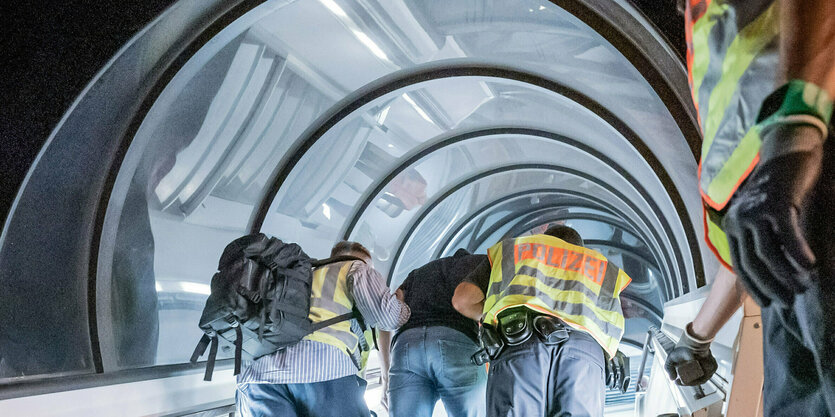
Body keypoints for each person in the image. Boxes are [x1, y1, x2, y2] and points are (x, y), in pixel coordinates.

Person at [673, 0, 835, 415]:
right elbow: (752, 259)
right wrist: (697, 337)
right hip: (785, 210)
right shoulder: (710, 31)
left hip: (809, 165)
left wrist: (795, 125)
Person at [452, 225, 631, 417]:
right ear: (580, 248)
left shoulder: (516, 249)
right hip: (586, 355)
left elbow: (462, 299)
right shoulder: (604, 269)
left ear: (545, 238)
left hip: (522, 342)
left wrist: (493, 319)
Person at [235, 241, 410, 417]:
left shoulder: (297, 273)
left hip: (255, 374)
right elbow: (388, 318)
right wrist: (399, 302)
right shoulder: (356, 267)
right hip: (320, 368)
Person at [378, 249, 488, 417]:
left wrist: (386, 377)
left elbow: (388, 313)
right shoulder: (481, 264)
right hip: (455, 341)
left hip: (406, 344)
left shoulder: (417, 273)